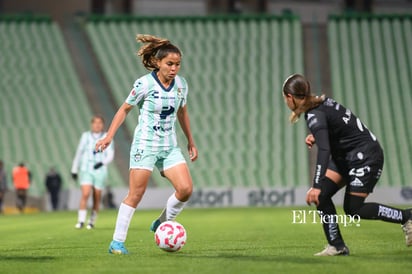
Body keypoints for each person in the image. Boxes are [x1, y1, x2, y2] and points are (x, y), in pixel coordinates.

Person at [282, 74, 412, 256]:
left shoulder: (314, 114)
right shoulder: (321, 103)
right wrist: (319, 137)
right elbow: (340, 129)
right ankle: (337, 246)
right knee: (323, 197)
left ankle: (407, 216)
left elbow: (325, 151)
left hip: (365, 157)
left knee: (353, 208)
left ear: (289, 97)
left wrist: (316, 185)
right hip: (348, 156)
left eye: (285, 99)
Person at [95, 34, 198, 255]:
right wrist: (108, 136)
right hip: (145, 145)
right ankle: (117, 242)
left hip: (169, 146)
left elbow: (183, 112)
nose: (174, 69)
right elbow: (124, 109)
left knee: (186, 189)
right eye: (169, 64)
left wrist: (190, 140)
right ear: (158, 62)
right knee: (136, 194)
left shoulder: (181, 85)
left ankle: (162, 222)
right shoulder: (144, 84)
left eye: (177, 64)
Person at [71, 115, 115, 229]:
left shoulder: (107, 136)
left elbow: (110, 154)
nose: (97, 125)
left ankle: (92, 220)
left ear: (103, 124)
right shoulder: (85, 136)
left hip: (100, 170)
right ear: (92, 124)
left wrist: (102, 163)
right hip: (86, 168)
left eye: (100, 122)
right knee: (85, 193)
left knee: (97, 196)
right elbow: (79, 152)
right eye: (95, 122)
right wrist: (74, 169)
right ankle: (81, 220)